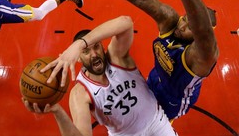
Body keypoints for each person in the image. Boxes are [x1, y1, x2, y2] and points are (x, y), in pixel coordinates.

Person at [45, 0, 219, 121]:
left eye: (190, 28)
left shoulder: (200, 57)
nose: (183, 25)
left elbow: (204, 34)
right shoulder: (172, 21)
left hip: (172, 100)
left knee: (153, 125)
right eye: (186, 18)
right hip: (155, 78)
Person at [24, 15, 178, 136]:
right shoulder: (80, 93)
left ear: (101, 45)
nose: (94, 54)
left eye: (96, 46)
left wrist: (80, 44)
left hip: (157, 122)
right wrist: (58, 112)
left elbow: (126, 22)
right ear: (78, 58)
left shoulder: (117, 57)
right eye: (85, 52)